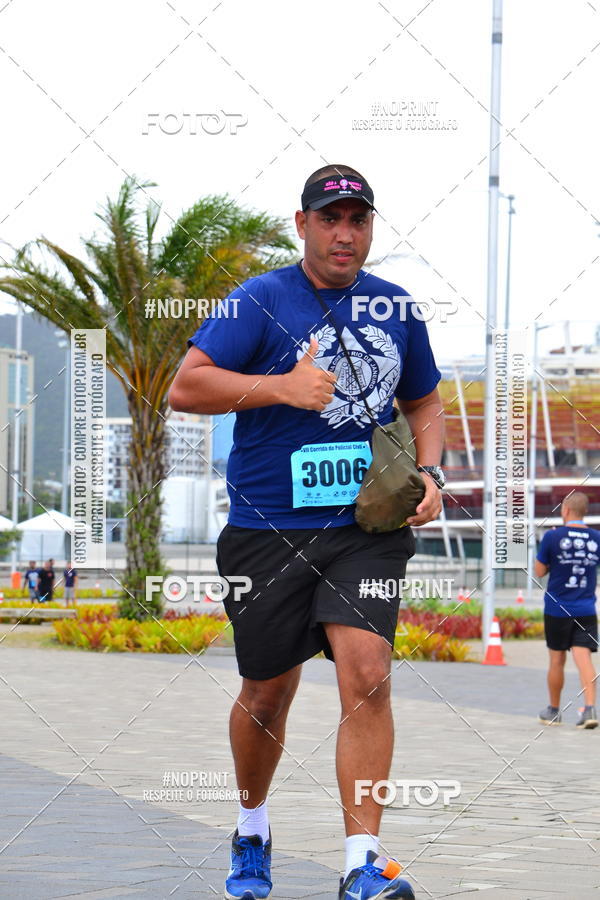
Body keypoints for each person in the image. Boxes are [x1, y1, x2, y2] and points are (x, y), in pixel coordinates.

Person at [169, 164, 445, 900]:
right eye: (331, 219)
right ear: (303, 225)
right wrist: (282, 388)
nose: (345, 233)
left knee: (368, 674)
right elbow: (186, 385)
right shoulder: (259, 300)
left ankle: (362, 861)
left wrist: (435, 475)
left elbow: (425, 402)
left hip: (365, 529)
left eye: (358, 219)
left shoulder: (395, 308)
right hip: (267, 530)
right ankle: (252, 829)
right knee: (266, 693)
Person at [536, 491, 600, 729]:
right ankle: (590, 709)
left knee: (557, 660)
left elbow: (540, 571)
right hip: (586, 608)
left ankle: (553, 710)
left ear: (565, 510)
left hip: (557, 609)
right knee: (584, 659)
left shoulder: (553, 537)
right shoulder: (596, 538)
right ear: (584, 512)